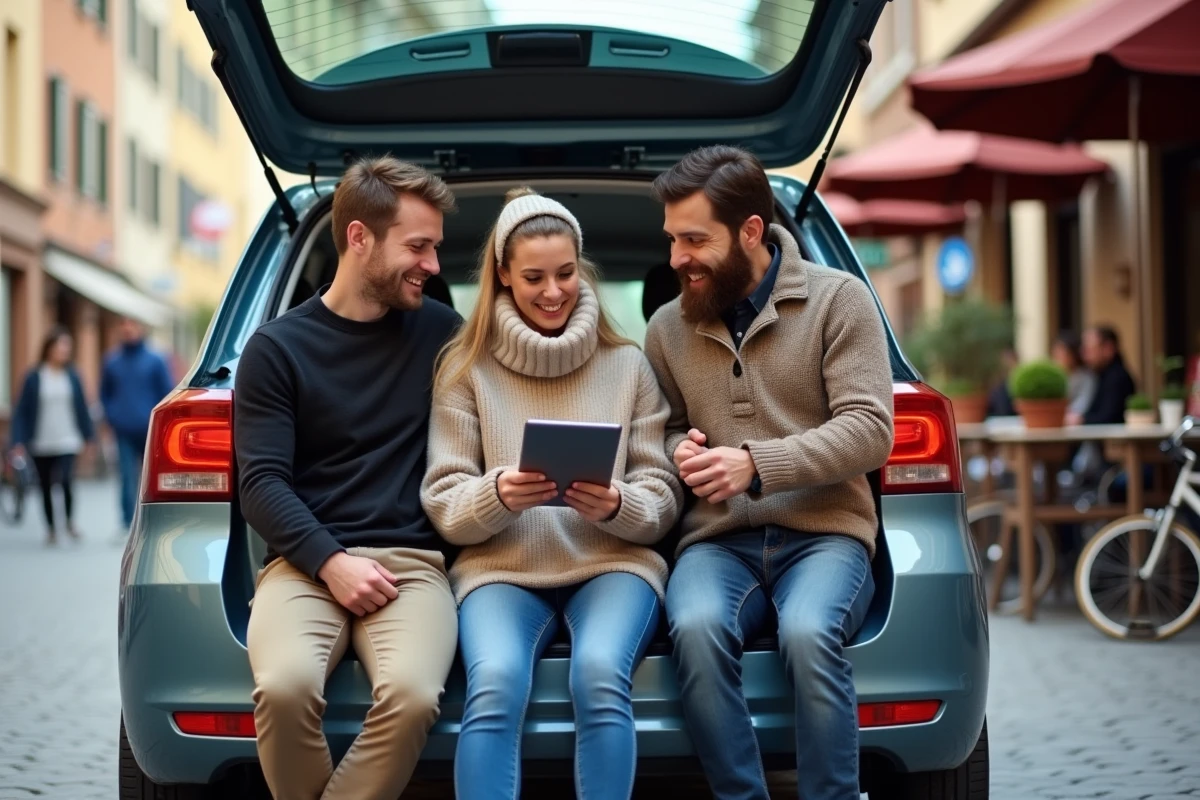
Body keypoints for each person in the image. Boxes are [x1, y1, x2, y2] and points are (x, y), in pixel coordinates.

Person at [642, 146, 895, 800]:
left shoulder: (841, 302)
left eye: (695, 240)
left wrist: (756, 464)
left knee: (810, 633)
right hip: (717, 543)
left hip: (826, 535)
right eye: (672, 239)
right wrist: (678, 452)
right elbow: (661, 426)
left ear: (750, 232)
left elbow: (871, 429)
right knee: (694, 630)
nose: (676, 258)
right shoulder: (666, 327)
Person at [421, 187, 682, 800]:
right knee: (496, 682)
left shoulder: (628, 366)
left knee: (598, 675)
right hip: (500, 571)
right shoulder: (465, 371)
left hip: (612, 563)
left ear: (580, 267)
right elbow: (444, 502)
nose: (553, 291)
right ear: (504, 276)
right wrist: (498, 496)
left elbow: (662, 492)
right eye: (533, 276)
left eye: (565, 273)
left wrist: (620, 505)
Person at [233, 156, 461, 800]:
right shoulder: (276, 350)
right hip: (304, 565)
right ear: (359, 238)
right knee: (282, 689)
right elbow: (262, 485)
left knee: (414, 697)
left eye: (436, 248)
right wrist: (331, 562)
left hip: (413, 567)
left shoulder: (445, 335)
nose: (434, 266)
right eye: (417, 247)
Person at [9, 327, 95, 544]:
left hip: (68, 438)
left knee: (65, 480)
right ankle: (51, 528)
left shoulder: (73, 376)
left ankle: (68, 521)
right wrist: (17, 440)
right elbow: (22, 411)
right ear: (48, 348)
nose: (64, 350)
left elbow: (82, 407)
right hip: (41, 441)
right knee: (45, 485)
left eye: (67, 346)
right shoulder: (34, 377)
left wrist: (88, 436)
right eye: (60, 346)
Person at [100, 317, 175, 534]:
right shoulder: (112, 361)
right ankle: (126, 522)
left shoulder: (155, 360)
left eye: (132, 326)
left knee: (152, 477)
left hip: (150, 430)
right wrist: (112, 416)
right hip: (122, 429)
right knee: (125, 476)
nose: (128, 330)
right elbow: (104, 393)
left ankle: (152, 521)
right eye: (124, 326)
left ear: (141, 328)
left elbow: (167, 392)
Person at [1065, 325, 1136, 427]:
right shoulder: (1098, 375)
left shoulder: (1117, 378)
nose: (1083, 354)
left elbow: (1109, 418)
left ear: (1108, 348)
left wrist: (1081, 420)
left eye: (1089, 349)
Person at [1051, 331, 1096, 418]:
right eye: (1056, 353)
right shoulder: (1053, 377)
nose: (1059, 357)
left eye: (1063, 353)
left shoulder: (1086, 377)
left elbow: (1082, 404)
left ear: (1073, 355)